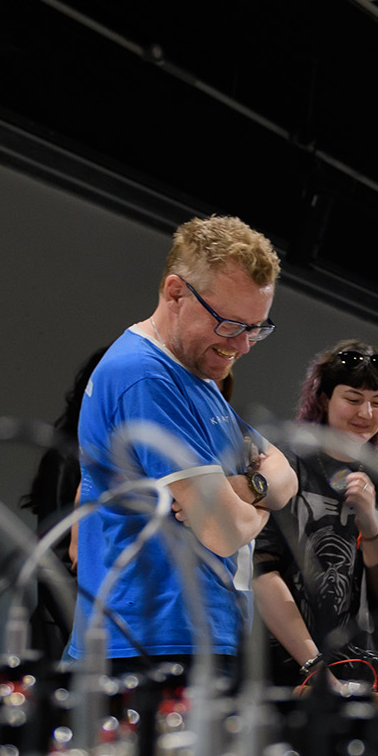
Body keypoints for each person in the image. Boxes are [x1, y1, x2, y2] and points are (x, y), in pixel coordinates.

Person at [67, 217, 296, 672]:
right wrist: (259, 496)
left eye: (256, 327)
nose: (244, 346)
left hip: (193, 637)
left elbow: (285, 474)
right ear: (176, 293)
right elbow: (223, 531)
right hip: (151, 645)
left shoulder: (198, 377)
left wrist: (245, 489)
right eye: (231, 324)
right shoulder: (146, 376)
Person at [251, 342, 378, 683]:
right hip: (279, 669)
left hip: (358, 672)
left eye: (377, 402)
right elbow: (261, 573)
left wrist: (371, 528)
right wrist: (314, 668)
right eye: (353, 399)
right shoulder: (284, 466)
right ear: (325, 399)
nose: (366, 414)